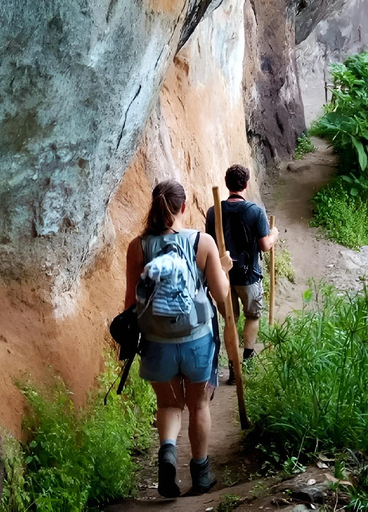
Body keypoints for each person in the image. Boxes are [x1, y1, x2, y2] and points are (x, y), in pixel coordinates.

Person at [125, 180, 233, 497]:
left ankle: (168, 453)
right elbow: (221, 295)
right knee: (198, 405)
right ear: (183, 207)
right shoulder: (204, 243)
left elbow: (130, 303)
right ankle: (201, 476)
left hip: (157, 343)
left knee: (169, 404)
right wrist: (223, 268)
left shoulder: (138, 247)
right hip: (198, 340)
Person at [205, 164, 279, 384]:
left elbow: (210, 242)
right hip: (249, 276)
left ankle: (232, 365)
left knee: (230, 319)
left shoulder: (214, 211)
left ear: (227, 184)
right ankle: (246, 359)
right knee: (252, 316)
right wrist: (273, 234)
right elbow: (265, 245)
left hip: (223, 276)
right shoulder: (255, 211)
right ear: (246, 184)